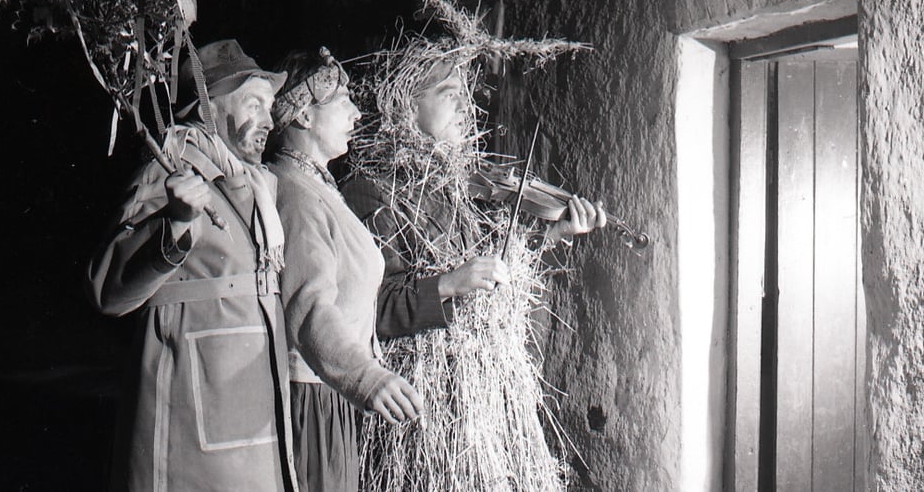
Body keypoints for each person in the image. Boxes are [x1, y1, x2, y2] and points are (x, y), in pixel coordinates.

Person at [342, 46, 605, 490]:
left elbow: (495, 283)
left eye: (465, 92)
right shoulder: (371, 192)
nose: (467, 105)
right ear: (405, 104)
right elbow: (371, 311)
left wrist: (553, 238)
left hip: (484, 409)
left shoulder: (462, 187)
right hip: (425, 417)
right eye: (448, 93)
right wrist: (447, 284)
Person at [87, 39, 298, 492]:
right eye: (254, 104)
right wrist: (175, 222)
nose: (268, 120)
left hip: (250, 421)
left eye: (270, 106)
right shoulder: (171, 170)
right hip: (194, 431)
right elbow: (108, 290)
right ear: (208, 108)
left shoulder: (254, 186)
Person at [267, 48, 422, 492]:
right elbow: (309, 307)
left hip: (328, 391)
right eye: (341, 101)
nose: (356, 113)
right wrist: (366, 376)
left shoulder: (317, 187)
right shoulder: (295, 197)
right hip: (310, 395)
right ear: (303, 117)